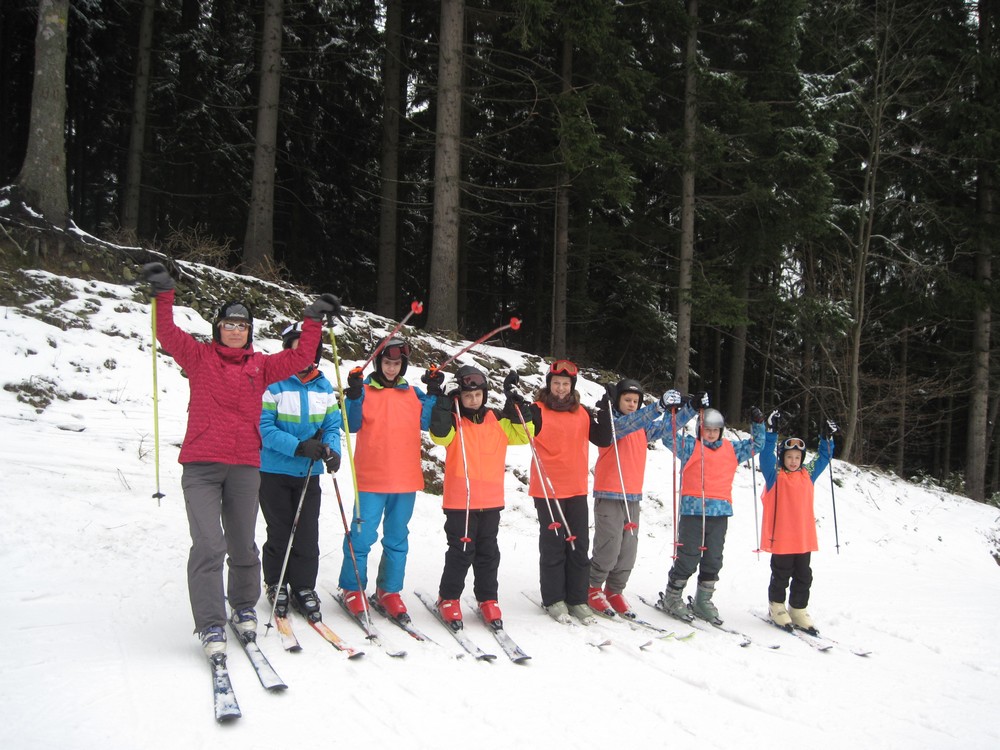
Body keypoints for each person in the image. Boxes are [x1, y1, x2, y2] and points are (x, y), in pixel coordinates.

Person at [141, 262, 341, 657]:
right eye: (229, 324)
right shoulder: (198, 357)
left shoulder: (262, 366)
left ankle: (244, 605)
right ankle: (211, 623)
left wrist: (312, 319)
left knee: (244, 547)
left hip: (246, 467)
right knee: (209, 546)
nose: (235, 330)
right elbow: (167, 333)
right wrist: (163, 294)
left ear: (250, 331)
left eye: (242, 325)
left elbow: (302, 354)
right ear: (218, 328)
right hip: (202, 466)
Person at [427, 366, 534, 629]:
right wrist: (443, 404)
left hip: (490, 500)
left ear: (484, 395)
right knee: (461, 552)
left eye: (477, 395)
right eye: (468, 396)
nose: (473, 400)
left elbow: (524, 434)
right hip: (460, 502)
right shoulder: (454, 421)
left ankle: (487, 598)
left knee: (488, 552)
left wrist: (516, 404)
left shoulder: (496, 419)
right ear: (460, 396)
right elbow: (439, 436)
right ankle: (448, 597)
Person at [338, 336, 434, 622]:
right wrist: (353, 395)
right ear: (378, 362)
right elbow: (349, 424)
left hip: (405, 480)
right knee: (362, 535)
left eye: (397, 363)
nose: (391, 368)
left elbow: (427, 422)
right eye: (387, 362)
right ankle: (353, 587)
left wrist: (434, 393)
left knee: (396, 537)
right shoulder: (365, 391)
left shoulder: (413, 393)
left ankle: (389, 590)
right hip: (371, 479)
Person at [258, 322, 343, 624]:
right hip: (274, 471)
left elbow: (332, 426)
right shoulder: (274, 383)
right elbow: (264, 428)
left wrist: (332, 451)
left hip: (308, 473)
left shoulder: (323, 386)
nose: (303, 354)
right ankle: (276, 582)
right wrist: (298, 447)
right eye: (297, 347)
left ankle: (303, 586)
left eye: (309, 349)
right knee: (280, 530)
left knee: (307, 532)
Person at [658, 393, 765, 624]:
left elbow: (757, 445)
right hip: (693, 512)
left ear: (721, 431)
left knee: (714, 558)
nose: (711, 434)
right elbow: (667, 437)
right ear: (700, 429)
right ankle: (672, 596)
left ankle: (703, 600)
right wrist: (675, 413)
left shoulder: (731, 449)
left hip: (720, 513)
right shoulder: (690, 446)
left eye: (715, 430)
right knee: (688, 556)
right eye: (707, 429)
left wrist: (758, 424)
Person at [528, 360, 612, 624]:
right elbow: (518, 430)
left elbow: (603, 439)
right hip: (548, 489)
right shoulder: (537, 410)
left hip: (575, 488)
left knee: (578, 545)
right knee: (554, 545)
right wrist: (513, 405)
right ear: (549, 384)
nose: (561, 388)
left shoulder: (581, 412)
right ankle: (554, 598)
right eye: (556, 383)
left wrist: (606, 410)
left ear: (572, 386)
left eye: (565, 384)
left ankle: (577, 598)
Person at [588, 379, 671, 618]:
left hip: (632, 496)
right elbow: (628, 424)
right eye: (627, 400)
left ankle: (615, 590)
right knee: (609, 545)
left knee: (628, 549)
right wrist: (658, 407)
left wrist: (688, 409)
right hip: (609, 493)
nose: (632, 404)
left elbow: (667, 427)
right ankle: (592, 587)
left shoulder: (642, 427)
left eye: (636, 401)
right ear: (617, 401)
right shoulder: (611, 424)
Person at [760, 412, 838, 632]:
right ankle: (776, 606)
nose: (793, 461)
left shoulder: (807, 474)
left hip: (803, 537)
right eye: (789, 457)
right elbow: (765, 456)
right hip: (782, 537)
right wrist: (771, 432)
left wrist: (826, 438)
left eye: (797, 457)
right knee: (781, 574)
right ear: (782, 457)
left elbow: (823, 457)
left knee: (804, 575)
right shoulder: (775, 474)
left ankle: (798, 609)